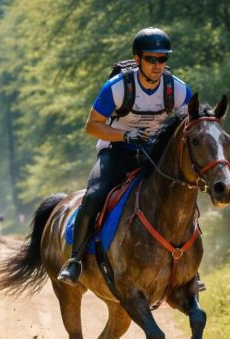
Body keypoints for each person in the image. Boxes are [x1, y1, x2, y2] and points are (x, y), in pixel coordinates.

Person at [58, 27, 193, 285]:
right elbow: (91, 126)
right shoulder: (117, 88)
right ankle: (74, 261)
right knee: (95, 194)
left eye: (162, 59)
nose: (157, 65)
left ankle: (190, 270)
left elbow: (190, 125)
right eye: (151, 59)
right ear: (137, 58)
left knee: (183, 198)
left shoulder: (177, 90)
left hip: (154, 157)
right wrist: (125, 136)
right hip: (117, 152)